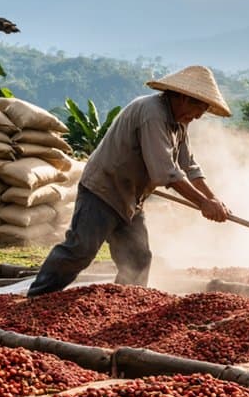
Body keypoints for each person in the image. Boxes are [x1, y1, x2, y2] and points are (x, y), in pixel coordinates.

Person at [26, 65, 232, 297]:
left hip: (131, 197)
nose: (198, 116)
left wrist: (213, 199)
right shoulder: (152, 113)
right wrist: (203, 203)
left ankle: (124, 302)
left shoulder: (179, 122)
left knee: (138, 258)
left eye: (203, 110)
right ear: (184, 97)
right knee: (80, 250)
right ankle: (37, 296)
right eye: (198, 107)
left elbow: (189, 166)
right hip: (103, 189)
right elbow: (166, 172)